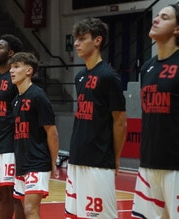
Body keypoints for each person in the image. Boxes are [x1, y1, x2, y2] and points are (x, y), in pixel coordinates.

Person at [64, 17, 127, 219]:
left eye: (82, 39)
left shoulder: (109, 77)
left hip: (99, 160)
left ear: (98, 40)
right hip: (76, 158)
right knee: (74, 215)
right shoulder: (80, 76)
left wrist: (116, 158)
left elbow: (120, 121)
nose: (76, 44)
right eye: (76, 39)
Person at [131, 3, 179, 218]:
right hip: (148, 164)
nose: (156, 19)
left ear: (177, 28)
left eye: (165, 17)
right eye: (156, 15)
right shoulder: (147, 68)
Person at [9, 52, 59, 218]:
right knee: (23, 210)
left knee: (31, 210)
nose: (12, 71)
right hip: (22, 162)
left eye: (16, 67)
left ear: (29, 70)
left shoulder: (38, 96)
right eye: (11, 67)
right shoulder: (16, 100)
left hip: (38, 161)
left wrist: (53, 162)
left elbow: (51, 131)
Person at [0, 34, 24, 219]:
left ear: (11, 53)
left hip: (13, 143)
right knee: (2, 193)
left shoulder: (16, 78)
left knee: (16, 194)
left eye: (0, 47)